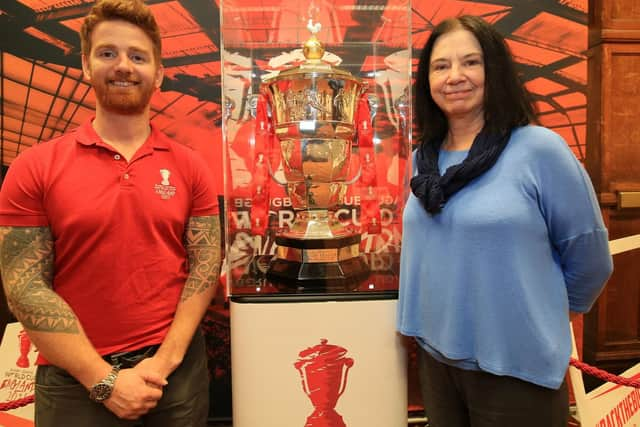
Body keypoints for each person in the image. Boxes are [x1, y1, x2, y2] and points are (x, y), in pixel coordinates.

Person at [0, 1, 221, 426]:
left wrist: (162, 363)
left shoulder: (190, 165)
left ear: (158, 74)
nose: (124, 66)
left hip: (174, 377)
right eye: (108, 53)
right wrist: (102, 379)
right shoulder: (34, 166)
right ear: (86, 65)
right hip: (73, 383)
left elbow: (205, 264)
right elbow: (24, 288)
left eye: (138, 56)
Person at [397, 15, 613, 427]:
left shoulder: (539, 149)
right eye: (441, 66)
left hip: (516, 366)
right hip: (437, 358)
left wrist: (537, 316)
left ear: (494, 70)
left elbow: (591, 259)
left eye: (471, 62)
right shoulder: (422, 162)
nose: (454, 76)